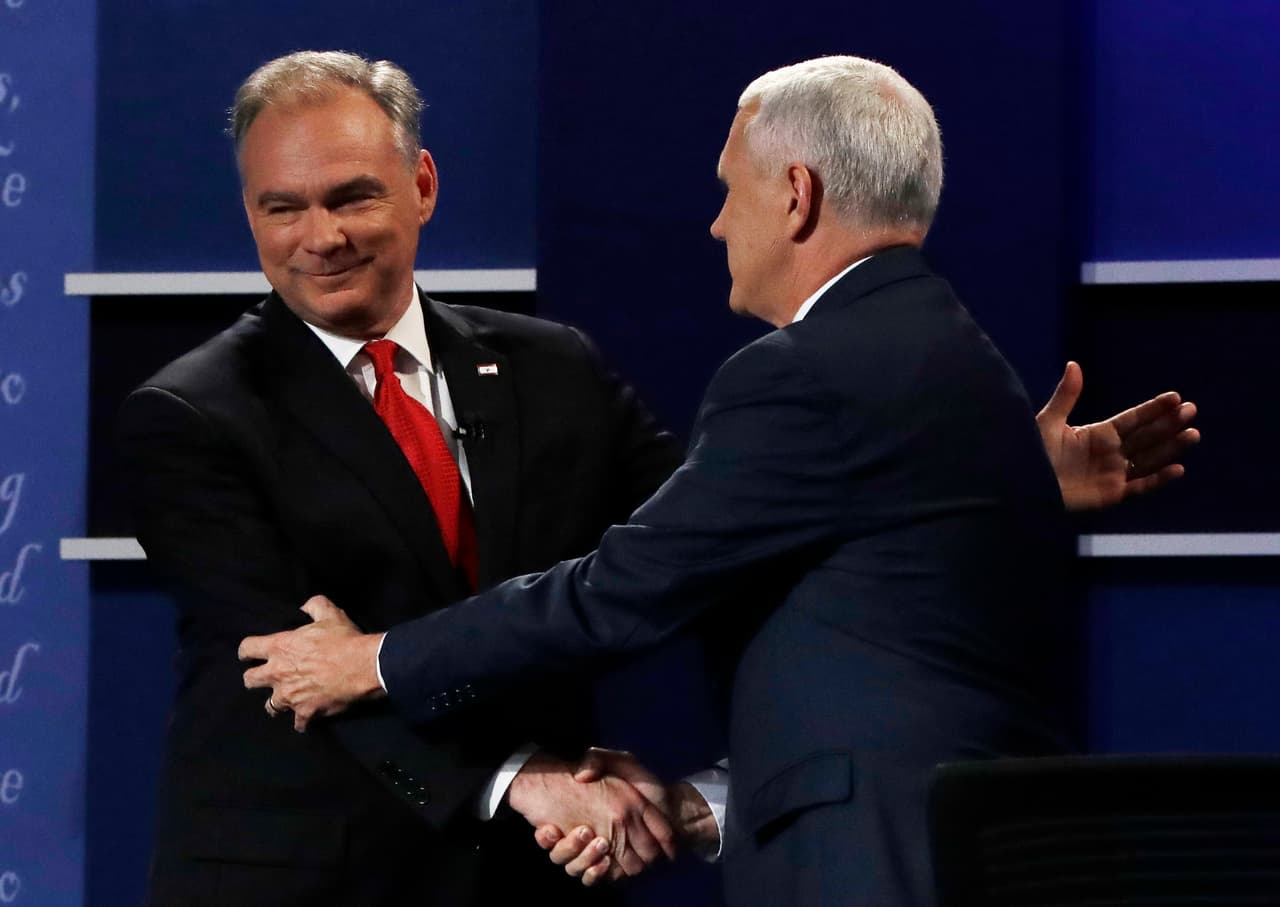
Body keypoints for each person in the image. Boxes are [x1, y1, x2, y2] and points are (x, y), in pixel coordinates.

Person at [240, 56, 1200, 905]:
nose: (715, 222)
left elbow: (622, 591)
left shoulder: (802, 372)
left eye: (729, 190)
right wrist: (703, 803)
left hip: (873, 865)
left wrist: (374, 661)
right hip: (959, 844)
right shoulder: (960, 357)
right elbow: (882, 632)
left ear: (796, 195)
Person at [118, 51, 688, 907]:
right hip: (312, 878)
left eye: (352, 197)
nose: (321, 238)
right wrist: (520, 776)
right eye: (283, 208)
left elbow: (688, 546)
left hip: (538, 872)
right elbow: (297, 672)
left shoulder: (554, 367)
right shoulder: (190, 415)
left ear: (421, 185)